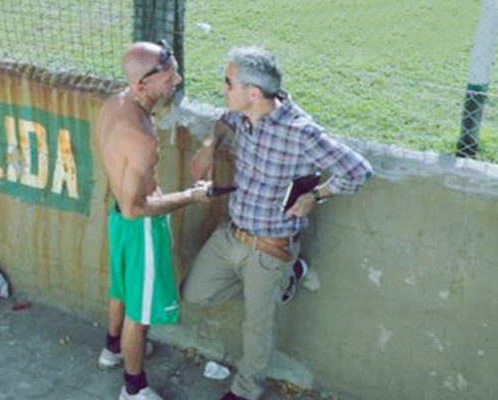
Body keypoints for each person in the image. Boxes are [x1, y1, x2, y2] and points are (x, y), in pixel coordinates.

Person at [184, 46, 373, 400]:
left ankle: (245, 391)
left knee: (256, 328)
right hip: (231, 235)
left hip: (270, 249)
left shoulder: (301, 133)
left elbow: (359, 171)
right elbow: (225, 120)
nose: (223, 89)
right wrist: (210, 146)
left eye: (229, 83)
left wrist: (316, 195)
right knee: (194, 292)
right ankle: (283, 282)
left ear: (253, 93)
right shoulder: (244, 114)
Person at [95, 41, 212, 400]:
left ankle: (111, 350)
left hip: (118, 219)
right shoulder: (143, 140)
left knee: (121, 288)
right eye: (169, 76)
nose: (176, 80)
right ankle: (134, 388)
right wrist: (191, 196)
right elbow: (136, 208)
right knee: (140, 312)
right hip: (139, 224)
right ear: (142, 85)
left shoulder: (115, 103)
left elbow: (124, 203)